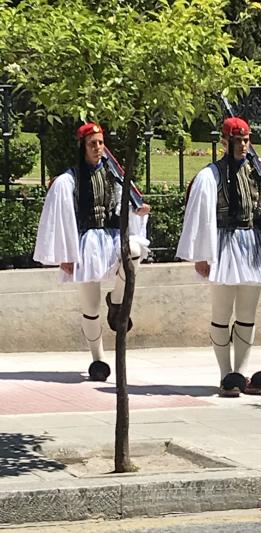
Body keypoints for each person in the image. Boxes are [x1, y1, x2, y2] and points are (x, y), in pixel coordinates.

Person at [176, 116, 261, 397]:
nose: (242, 145)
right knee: (221, 313)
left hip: (252, 246)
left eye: (246, 140)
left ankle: (240, 374)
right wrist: (202, 255)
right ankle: (225, 375)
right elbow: (201, 216)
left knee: (247, 314)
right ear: (225, 142)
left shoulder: (258, 173)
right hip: (223, 248)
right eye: (237, 140)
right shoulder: (210, 175)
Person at [33, 122, 151, 381]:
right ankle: (98, 359)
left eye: (100, 142)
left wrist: (138, 210)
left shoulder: (114, 175)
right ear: (83, 147)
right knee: (90, 305)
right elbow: (61, 218)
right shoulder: (69, 180)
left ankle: (117, 301)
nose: (98, 147)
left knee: (134, 250)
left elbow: (125, 204)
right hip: (86, 243)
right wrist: (66, 254)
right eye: (92, 144)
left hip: (112, 237)